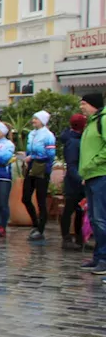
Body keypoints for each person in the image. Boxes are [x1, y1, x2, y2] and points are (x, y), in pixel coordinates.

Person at [78, 95, 106, 274]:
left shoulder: (102, 120)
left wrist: (92, 164)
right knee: (95, 220)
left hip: (101, 175)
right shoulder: (91, 122)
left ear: (93, 105)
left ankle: (104, 259)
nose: (81, 107)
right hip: (90, 176)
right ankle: (98, 256)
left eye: (83, 104)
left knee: (101, 219)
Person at [22, 110, 56, 241]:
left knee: (41, 200)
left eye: (36, 119)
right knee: (25, 198)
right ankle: (35, 223)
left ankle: (40, 229)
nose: (33, 121)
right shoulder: (31, 134)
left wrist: (34, 157)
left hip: (42, 169)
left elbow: (51, 154)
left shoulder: (48, 135)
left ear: (42, 121)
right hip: (30, 168)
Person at [60, 114, 87, 250]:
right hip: (74, 183)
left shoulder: (75, 139)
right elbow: (72, 165)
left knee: (79, 211)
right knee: (70, 210)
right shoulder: (74, 142)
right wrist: (80, 179)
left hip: (78, 181)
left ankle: (79, 238)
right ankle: (67, 238)